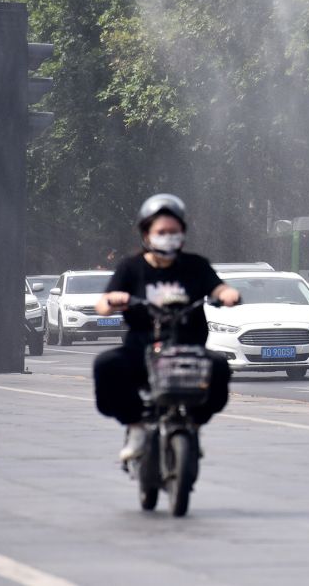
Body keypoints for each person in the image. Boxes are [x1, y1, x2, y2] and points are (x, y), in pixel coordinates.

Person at [93, 194, 240, 461]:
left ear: (183, 233)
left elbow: (217, 286)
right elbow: (103, 303)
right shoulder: (131, 267)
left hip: (188, 351)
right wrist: (114, 301)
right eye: (161, 232)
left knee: (219, 367)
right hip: (142, 352)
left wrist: (227, 294)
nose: (168, 237)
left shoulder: (196, 266)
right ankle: (136, 426)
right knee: (105, 365)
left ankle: (193, 428)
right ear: (146, 234)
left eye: (174, 231)